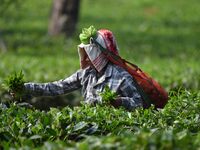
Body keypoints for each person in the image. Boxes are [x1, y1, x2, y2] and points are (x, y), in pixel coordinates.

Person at [23, 27, 143, 111]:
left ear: (99, 55)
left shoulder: (121, 76)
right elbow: (58, 87)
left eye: (89, 55)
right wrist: (25, 88)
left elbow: (138, 104)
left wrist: (119, 102)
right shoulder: (86, 73)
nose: (85, 58)